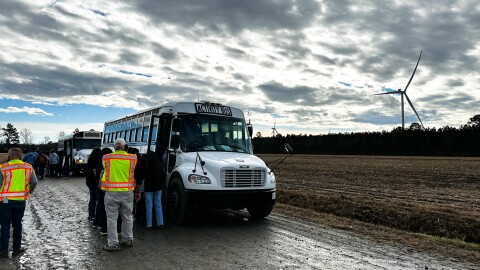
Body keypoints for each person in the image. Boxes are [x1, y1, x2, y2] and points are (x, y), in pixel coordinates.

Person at [100, 138, 140, 251]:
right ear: (125, 146)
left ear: (114, 147)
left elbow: (105, 170)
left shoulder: (106, 157)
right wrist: (137, 191)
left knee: (112, 218)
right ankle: (127, 240)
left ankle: (113, 244)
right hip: (127, 192)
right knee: (127, 217)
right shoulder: (133, 158)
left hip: (111, 193)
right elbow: (137, 174)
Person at [0, 148, 38, 259]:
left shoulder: (3, 167)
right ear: (20, 156)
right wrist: (28, 191)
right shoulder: (28, 167)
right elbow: (34, 182)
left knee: (5, 225)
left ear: (10, 155)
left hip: (5, 201)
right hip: (21, 201)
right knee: (17, 225)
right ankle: (16, 250)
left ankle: (4, 252)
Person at [142, 152, 166, 229]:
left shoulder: (146, 167)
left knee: (149, 206)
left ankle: (149, 225)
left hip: (148, 189)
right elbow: (163, 177)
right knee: (158, 205)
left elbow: (143, 177)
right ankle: (160, 223)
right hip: (158, 189)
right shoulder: (159, 167)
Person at [96, 147, 112, 235]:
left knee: (101, 207)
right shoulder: (107, 162)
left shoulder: (100, 161)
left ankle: (101, 225)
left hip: (101, 188)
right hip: (107, 188)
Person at [86, 148, 101, 222]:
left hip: (89, 180)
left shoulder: (90, 159)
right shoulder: (96, 161)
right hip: (93, 181)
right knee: (94, 198)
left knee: (92, 198)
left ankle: (91, 214)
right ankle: (92, 214)